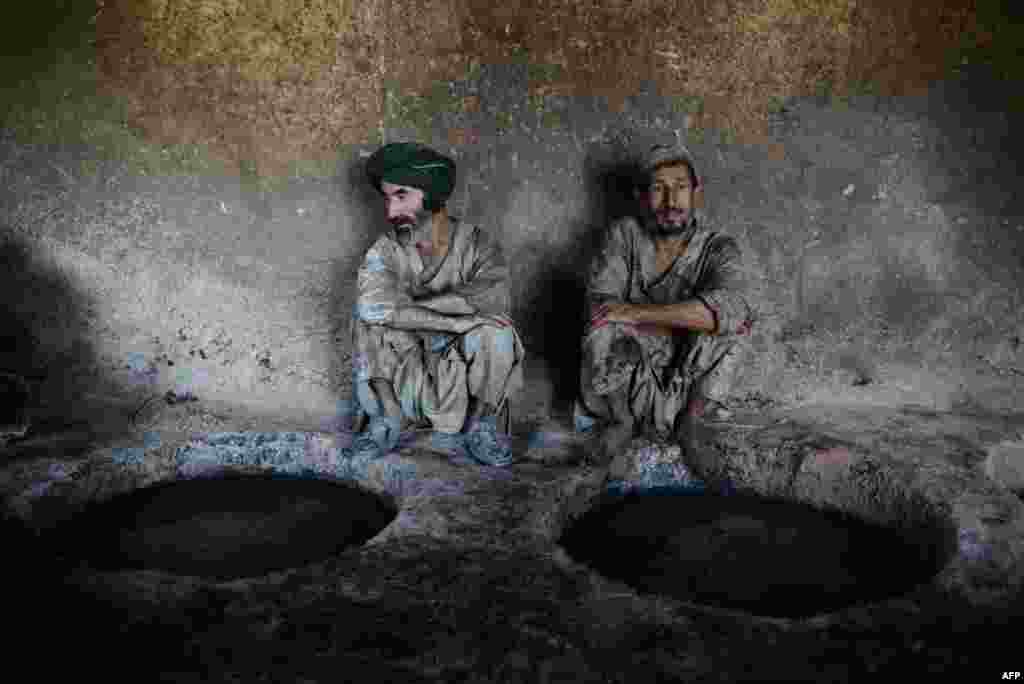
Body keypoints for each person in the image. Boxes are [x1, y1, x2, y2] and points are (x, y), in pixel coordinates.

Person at [575, 142, 754, 467]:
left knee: (736, 324)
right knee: (602, 321)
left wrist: (637, 312)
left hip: (688, 384)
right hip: (629, 379)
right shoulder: (624, 236)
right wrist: (680, 319)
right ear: (642, 197)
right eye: (659, 189)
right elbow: (602, 302)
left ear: (697, 194)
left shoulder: (718, 248)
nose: (671, 201)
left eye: (681, 188)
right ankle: (622, 421)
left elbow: (730, 307)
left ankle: (693, 424)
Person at [351, 142, 524, 466]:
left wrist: (412, 310)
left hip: (455, 382)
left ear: (432, 195)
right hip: (403, 380)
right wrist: (454, 321)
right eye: (387, 199)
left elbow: (491, 300)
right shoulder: (384, 250)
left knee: (497, 330)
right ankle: (388, 419)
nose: (390, 212)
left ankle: (480, 426)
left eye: (401, 196)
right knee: (367, 320)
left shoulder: (478, 246)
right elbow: (373, 308)